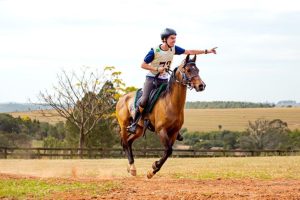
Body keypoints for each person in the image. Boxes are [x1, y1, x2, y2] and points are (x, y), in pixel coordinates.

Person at [127, 28, 217, 140]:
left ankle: (174, 127)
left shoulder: (174, 49)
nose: (174, 40)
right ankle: (134, 123)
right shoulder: (154, 51)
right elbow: (143, 65)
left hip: (165, 79)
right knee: (144, 99)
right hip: (152, 79)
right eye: (172, 38)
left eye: (175, 38)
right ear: (164, 39)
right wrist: (157, 68)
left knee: (172, 100)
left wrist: (206, 51)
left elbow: (189, 52)